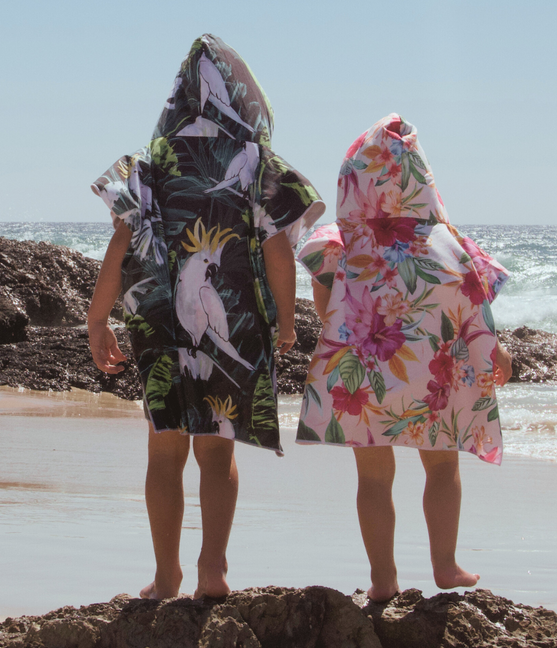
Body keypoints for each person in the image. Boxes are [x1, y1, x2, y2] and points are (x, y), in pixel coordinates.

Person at [87, 34, 325, 600]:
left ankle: (165, 574)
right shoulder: (256, 162)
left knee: (164, 449)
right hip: (234, 320)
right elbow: (278, 252)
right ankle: (212, 570)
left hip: (159, 323)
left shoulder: (146, 165)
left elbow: (120, 247)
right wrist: (286, 322)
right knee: (217, 450)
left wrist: (97, 320)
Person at [295, 114, 511, 602]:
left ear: (355, 177)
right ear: (422, 178)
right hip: (433, 380)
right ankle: (445, 565)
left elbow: (327, 308)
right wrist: (498, 349)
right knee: (441, 468)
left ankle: (383, 579)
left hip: (367, 374)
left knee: (373, 477)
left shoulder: (340, 240)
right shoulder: (448, 240)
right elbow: (476, 303)